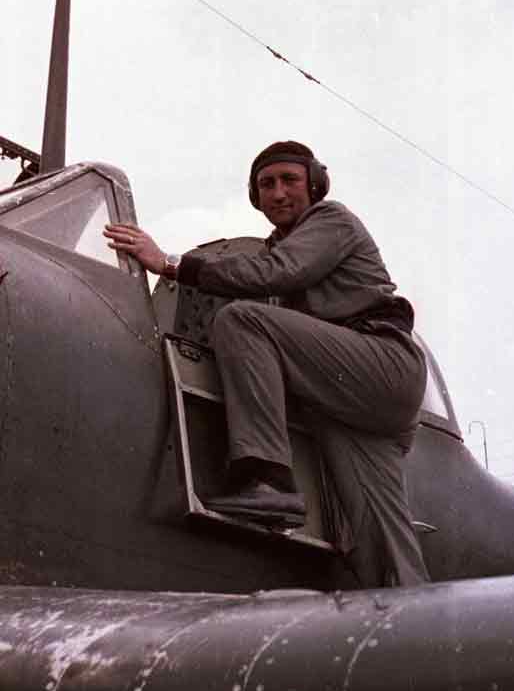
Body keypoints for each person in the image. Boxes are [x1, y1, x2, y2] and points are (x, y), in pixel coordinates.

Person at [104, 141, 428, 587]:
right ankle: (406, 623)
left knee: (241, 319)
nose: (278, 193)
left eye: (289, 180)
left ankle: (270, 481)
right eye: (266, 184)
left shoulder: (331, 220)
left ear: (315, 184)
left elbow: (274, 273)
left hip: (381, 362)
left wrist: (170, 263)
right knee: (377, 548)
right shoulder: (280, 245)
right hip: (346, 401)